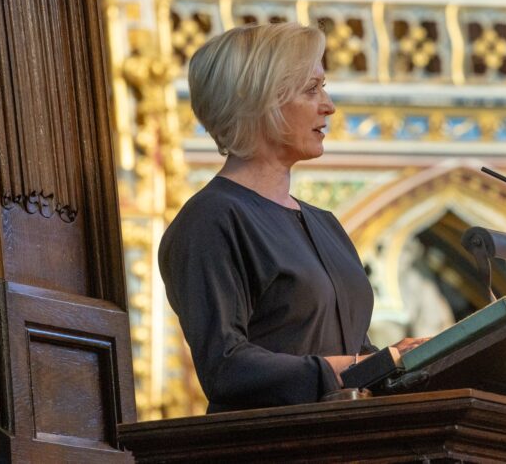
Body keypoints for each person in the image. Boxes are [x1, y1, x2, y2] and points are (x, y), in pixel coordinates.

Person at [159, 22, 423, 412]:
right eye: (311, 89)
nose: (329, 105)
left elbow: (354, 349)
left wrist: (409, 361)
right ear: (261, 101)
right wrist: (357, 367)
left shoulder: (325, 224)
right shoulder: (211, 219)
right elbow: (225, 367)